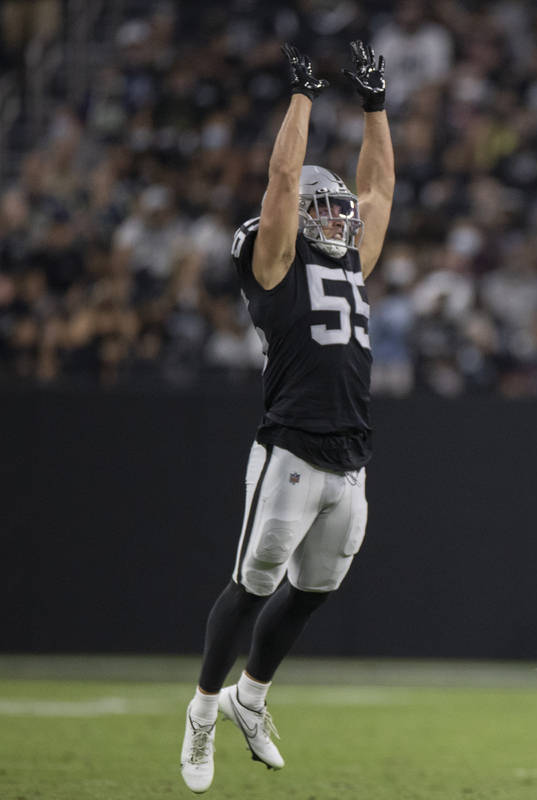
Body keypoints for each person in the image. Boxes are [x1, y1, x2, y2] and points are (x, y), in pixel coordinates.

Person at [179, 41, 393, 794]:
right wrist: (302, 96)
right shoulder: (272, 261)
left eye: (337, 208)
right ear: (294, 218)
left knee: (316, 587)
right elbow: (278, 181)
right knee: (254, 583)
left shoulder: (345, 258)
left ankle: (251, 698)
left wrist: (375, 107)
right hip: (292, 449)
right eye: (322, 209)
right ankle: (203, 712)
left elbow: (381, 193)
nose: (339, 218)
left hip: (351, 454)